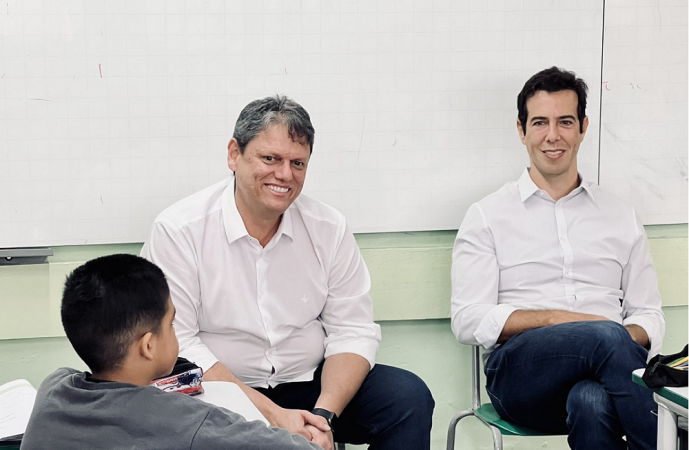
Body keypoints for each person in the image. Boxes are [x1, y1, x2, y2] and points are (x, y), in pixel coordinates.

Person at [142, 95, 434, 450]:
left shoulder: (328, 227)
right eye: (270, 159)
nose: (285, 174)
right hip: (217, 388)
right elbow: (180, 344)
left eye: (298, 163)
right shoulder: (179, 229)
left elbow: (352, 330)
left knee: (407, 397)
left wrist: (324, 417)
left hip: (309, 385)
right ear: (234, 154)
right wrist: (274, 416)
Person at [450, 67, 665, 450]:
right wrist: (558, 321)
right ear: (521, 130)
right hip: (521, 379)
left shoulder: (620, 215)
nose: (553, 135)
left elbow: (649, 316)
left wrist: (612, 338)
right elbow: (468, 320)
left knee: (590, 401)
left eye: (565, 122)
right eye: (540, 123)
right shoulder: (487, 215)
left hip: (607, 377)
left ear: (583, 127)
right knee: (603, 337)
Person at [20, 254, 322, 450]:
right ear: (148, 346)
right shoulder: (187, 421)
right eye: (172, 322)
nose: (176, 330)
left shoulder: (53, 389)